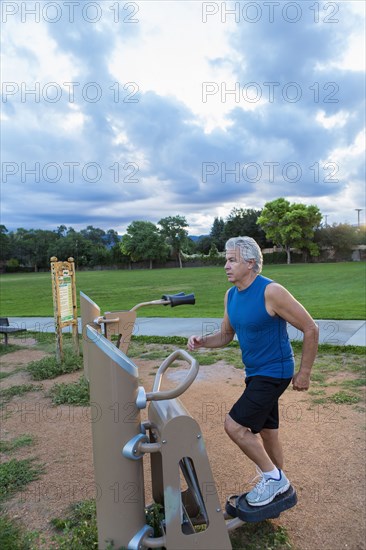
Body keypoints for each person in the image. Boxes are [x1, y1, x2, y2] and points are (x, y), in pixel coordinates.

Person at [188, 236, 318, 507]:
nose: (226, 265)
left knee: (234, 426)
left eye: (232, 260)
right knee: (268, 432)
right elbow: (226, 334)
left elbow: (310, 328)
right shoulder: (231, 295)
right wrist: (203, 342)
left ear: (250, 263)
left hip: (275, 371)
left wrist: (304, 372)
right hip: (255, 372)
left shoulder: (271, 292)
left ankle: (273, 479)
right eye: (226, 259)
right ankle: (279, 483)